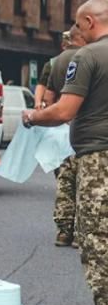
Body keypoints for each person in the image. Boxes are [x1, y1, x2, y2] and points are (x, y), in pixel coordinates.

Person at [21, 0, 108, 305]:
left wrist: (31, 116)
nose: (77, 31)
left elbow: (63, 110)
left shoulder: (86, 57)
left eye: (78, 23)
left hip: (99, 157)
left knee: (96, 237)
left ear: (88, 21)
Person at [42, 25, 86, 248]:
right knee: (85, 183)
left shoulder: (56, 62)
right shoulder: (87, 58)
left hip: (60, 130)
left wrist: (56, 119)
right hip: (84, 129)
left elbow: (49, 98)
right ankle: (80, 232)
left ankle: (63, 231)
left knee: (64, 181)